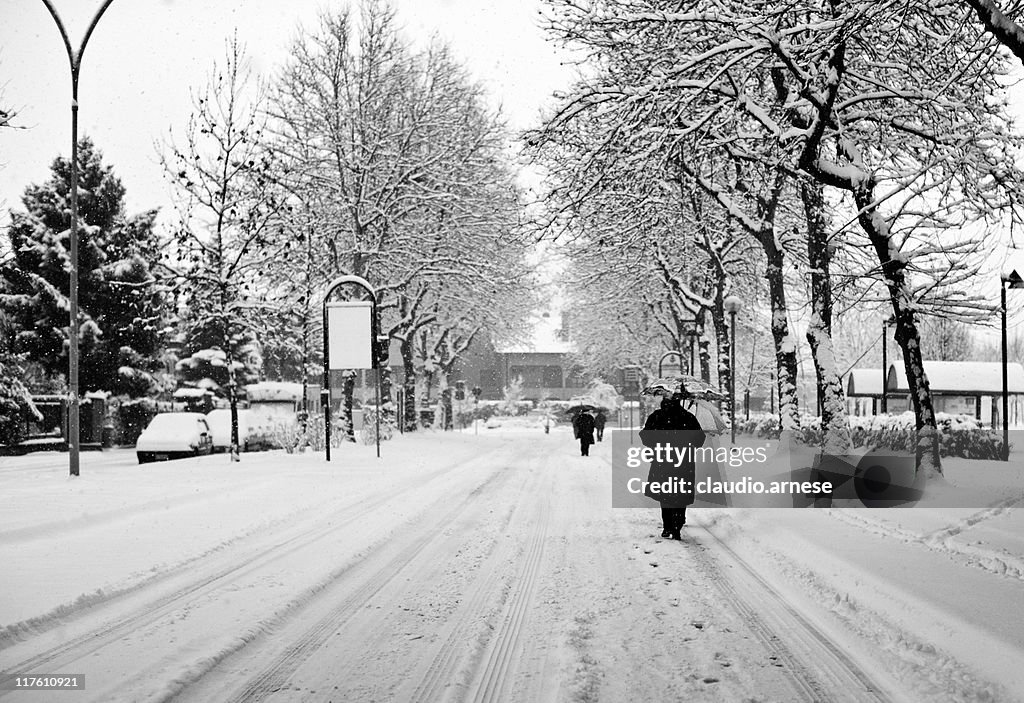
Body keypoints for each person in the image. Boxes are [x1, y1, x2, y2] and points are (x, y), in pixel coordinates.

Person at [639, 392, 705, 539]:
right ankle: (678, 524)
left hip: (663, 460)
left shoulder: (656, 416)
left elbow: (645, 436)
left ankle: (667, 525)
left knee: (665, 495)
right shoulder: (688, 417)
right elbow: (700, 439)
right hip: (683, 462)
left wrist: (655, 445)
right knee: (680, 494)